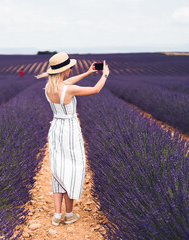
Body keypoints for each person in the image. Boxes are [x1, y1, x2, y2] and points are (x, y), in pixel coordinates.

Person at [37, 52, 110, 226]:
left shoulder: (49, 87)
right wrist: (105, 73)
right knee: (72, 169)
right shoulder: (67, 89)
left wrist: (88, 73)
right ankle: (69, 214)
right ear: (64, 71)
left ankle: (57, 215)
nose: (71, 70)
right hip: (70, 130)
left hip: (55, 128)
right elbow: (96, 89)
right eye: (70, 68)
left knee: (59, 170)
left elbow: (68, 82)